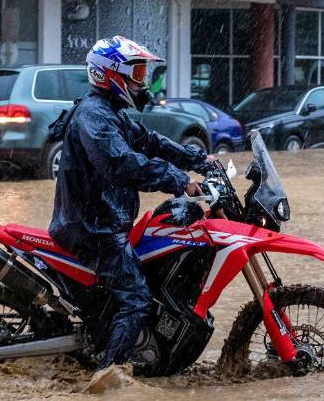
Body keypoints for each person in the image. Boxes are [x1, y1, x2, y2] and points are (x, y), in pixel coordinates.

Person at [48, 36, 210, 389]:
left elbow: (150, 141)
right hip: (92, 228)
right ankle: (106, 379)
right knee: (137, 297)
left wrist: (199, 160)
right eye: (137, 73)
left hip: (104, 221)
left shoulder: (110, 113)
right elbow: (120, 164)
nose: (142, 82)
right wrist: (178, 179)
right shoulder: (94, 116)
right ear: (111, 75)